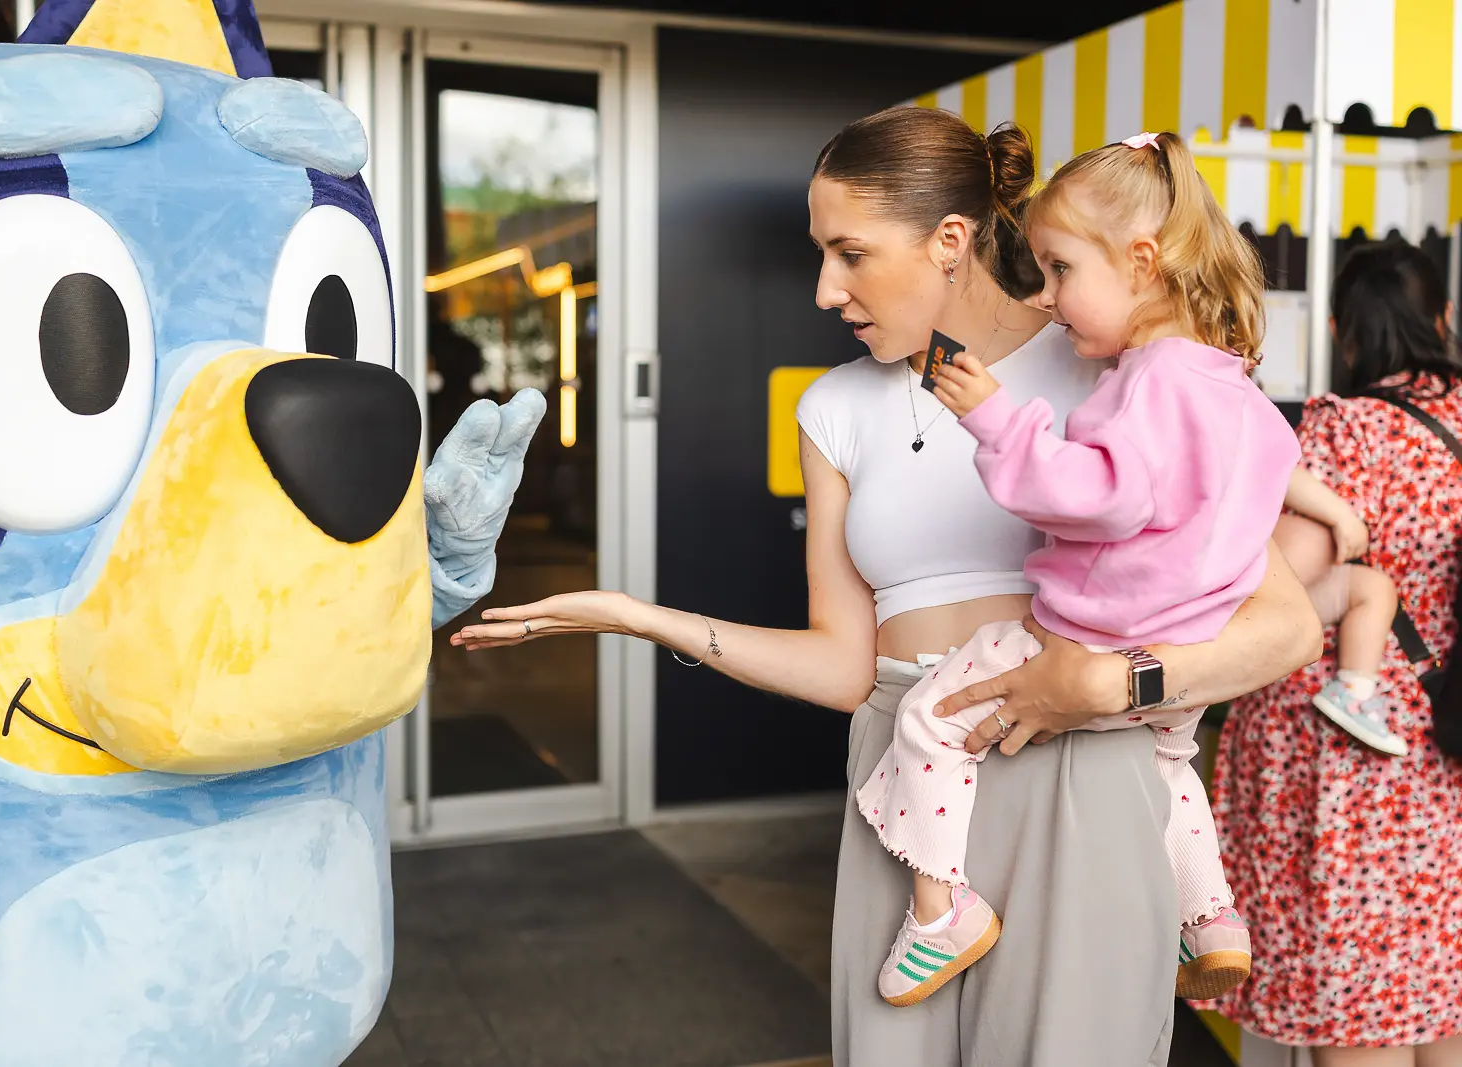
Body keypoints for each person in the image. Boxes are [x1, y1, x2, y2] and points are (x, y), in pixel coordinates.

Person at [452, 107, 1322, 1067]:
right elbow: (841, 666)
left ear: (950, 241)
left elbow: (1285, 627)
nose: (826, 289)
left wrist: (1118, 685)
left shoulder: (1113, 366)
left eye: (850, 253)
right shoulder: (833, 408)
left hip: (1080, 765)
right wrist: (630, 615)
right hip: (908, 792)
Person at [857, 130, 1300, 1011]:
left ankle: (941, 911)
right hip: (1183, 656)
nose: (1050, 298)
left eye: (1061, 270)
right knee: (1172, 767)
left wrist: (997, 420)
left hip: (1085, 632)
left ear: (1142, 262)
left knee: (926, 722)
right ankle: (1211, 915)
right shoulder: (1234, 388)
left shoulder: (1151, 380)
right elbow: (1260, 492)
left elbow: (1103, 496)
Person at [1211, 240, 1462, 1067]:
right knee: (1441, 997)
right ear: (1443, 320)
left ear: (1340, 331)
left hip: (1347, 758)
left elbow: (1282, 581)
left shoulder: (1343, 432)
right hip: (1451, 742)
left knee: (1361, 1014)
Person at [1274, 466, 1405, 754]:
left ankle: (1354, 691)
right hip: (1235, 577)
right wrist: (1341, 518)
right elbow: (1272, 463)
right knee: (1313, 540)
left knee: (1375, 588)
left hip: (1281, 591)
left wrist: (1342, 518)